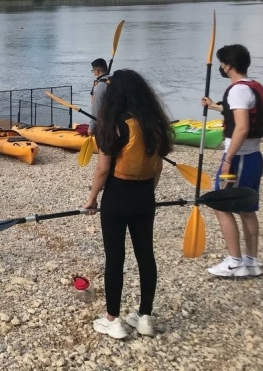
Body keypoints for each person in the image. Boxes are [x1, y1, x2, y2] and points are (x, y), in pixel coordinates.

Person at [84, 69, 172, 340]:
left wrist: (92, 199)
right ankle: (145, 317)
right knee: (146, 255)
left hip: (117, 196)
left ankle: (113, 320)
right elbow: (156, 167)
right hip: (145, 196)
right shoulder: (154, 124)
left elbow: (102, 169)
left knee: (115, 257)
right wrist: (148, 193)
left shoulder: (113, 125)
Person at [201, 44, 263, 278]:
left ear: (228, 65)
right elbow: (239, 114)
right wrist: (216, 107)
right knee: (247, 209)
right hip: (253, 157)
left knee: (221, 205)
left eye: (221, 62)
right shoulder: (253, 86)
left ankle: (234, 261)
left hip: (238, 158)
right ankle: (251, 261)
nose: (220, 67)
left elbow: (241, 128)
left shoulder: (238, 90)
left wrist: (228, 159)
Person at [89, 58, 110, 135]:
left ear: (97, 71)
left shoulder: (100, 86)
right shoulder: (113, 80)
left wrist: (91, 126)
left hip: (104, 122)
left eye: (93, 71)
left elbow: (96, 107)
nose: (93, 73)